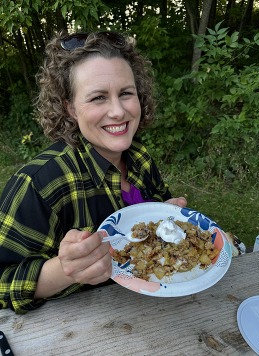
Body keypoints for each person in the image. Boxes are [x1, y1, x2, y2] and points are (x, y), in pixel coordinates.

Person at [0, 31, 187, 314]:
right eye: (98, 97)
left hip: (157, 310)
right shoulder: (38, 185)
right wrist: (65, 270)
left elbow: (159, 226)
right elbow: (2, 281)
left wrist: (167, 219)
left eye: (126, 93)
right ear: (71, 108)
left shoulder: (141, 159)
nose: (117, 111)